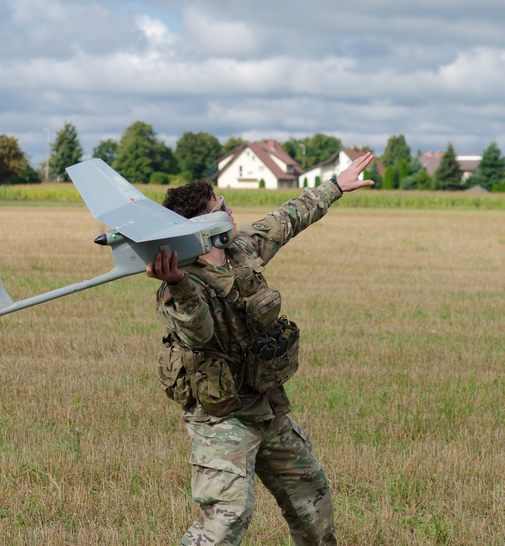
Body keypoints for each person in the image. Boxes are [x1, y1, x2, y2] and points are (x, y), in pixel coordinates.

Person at [146, 151, 375, 545]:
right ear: (205, 224)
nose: (231, 212)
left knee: (312, 501)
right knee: (225, 521)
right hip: (222, 419)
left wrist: (336, 185)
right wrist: (181, 286)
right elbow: (200, 334)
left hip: (267, 407)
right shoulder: (178, 287)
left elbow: (289, 217)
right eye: (222, 208)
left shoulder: (242, 250)